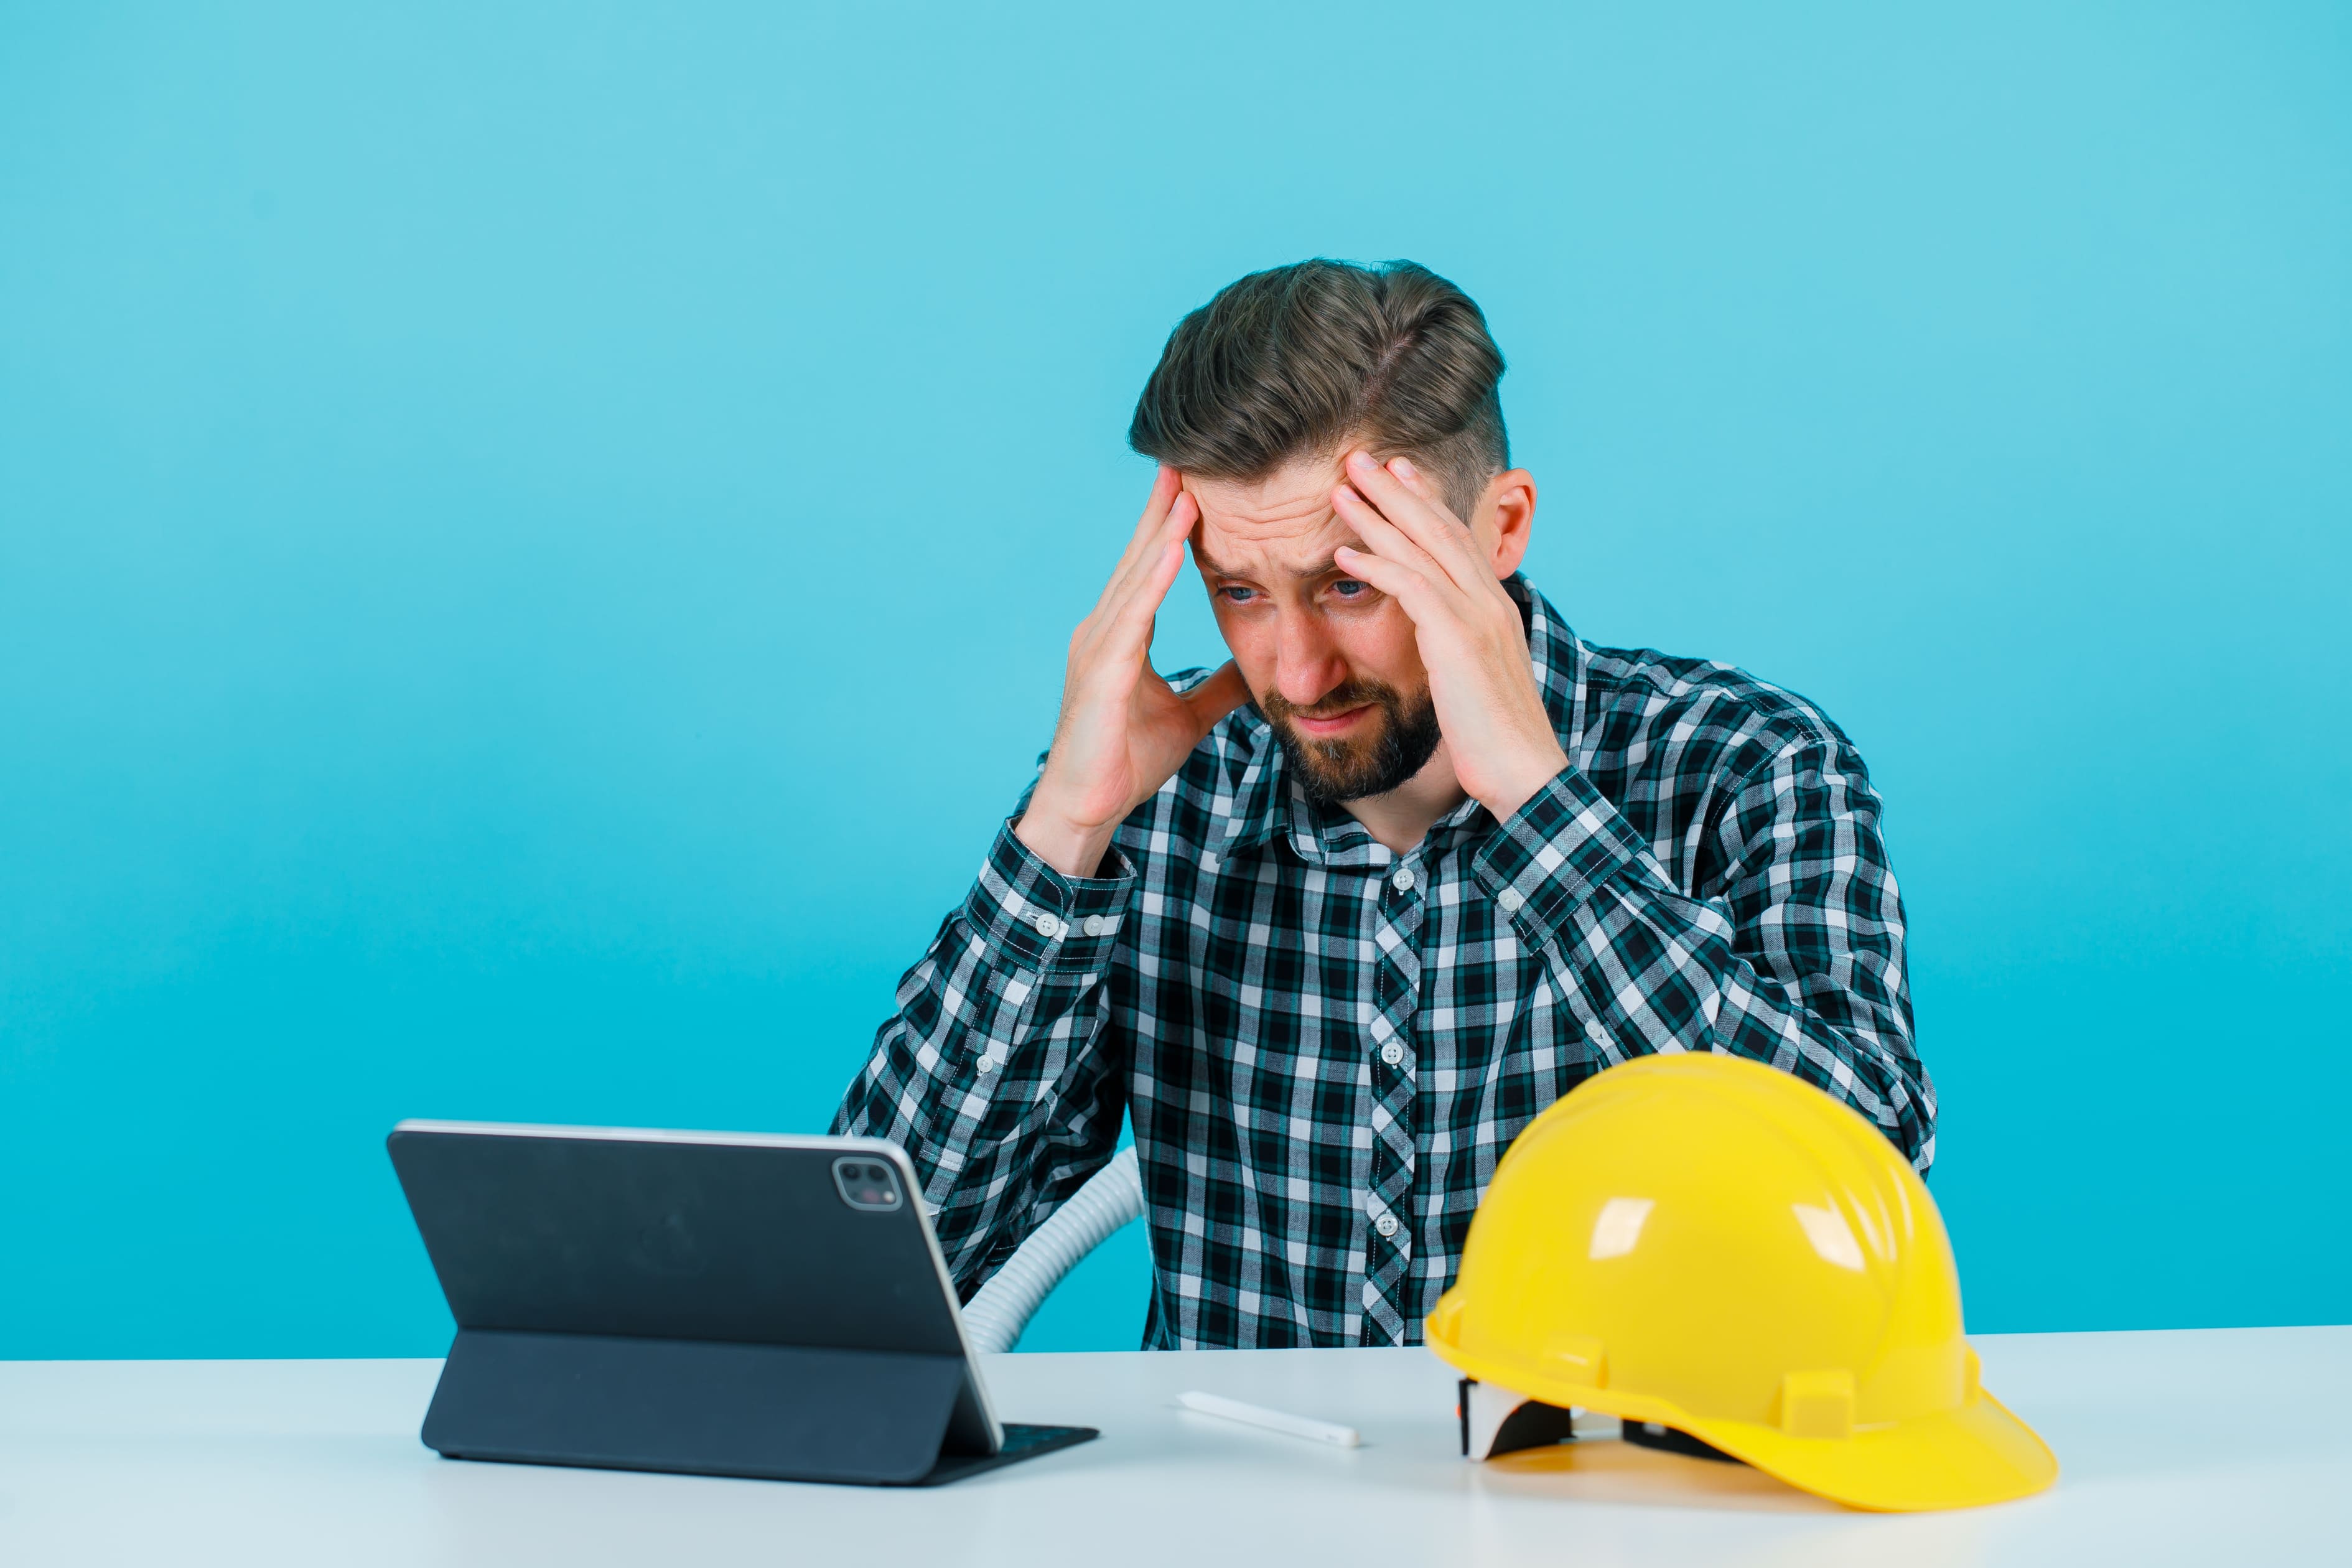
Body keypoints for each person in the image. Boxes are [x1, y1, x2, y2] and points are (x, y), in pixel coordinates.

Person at [834, 259, 1932, 1350]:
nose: (1298, 674)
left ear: (1499, 530)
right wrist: (1065, 834)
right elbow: (878, 1272)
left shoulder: (1748, 767)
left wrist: (1544, 815)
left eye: (1351, 584)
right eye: (1241, 593)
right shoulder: (1158, 806)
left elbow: (1863, 1182)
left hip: (1613, 1506)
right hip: (1232, 1511)